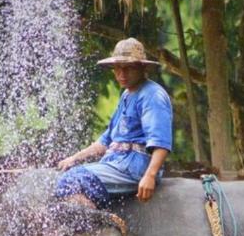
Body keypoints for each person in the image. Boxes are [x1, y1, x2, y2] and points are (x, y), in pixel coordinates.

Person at [54, 38, 173, 209]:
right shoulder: (126, 95)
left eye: (129, 68)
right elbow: (106, 141)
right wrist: (74, 158)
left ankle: (101, 229)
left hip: (134, 168)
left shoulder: (152, 95)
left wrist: (150, 176)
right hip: (115, 163)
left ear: (143, 67)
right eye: (117, 68)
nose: (121, 74)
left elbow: (161, 142)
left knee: (75, 180)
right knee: (67, 175)